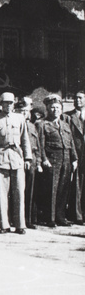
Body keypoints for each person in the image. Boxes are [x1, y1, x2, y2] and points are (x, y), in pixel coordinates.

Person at [0, 92, 32, 234]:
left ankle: (20, 224)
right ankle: (4, 224)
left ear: (14, 104)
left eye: (11, 103)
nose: (8, 105)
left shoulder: (20, 118)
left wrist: (28, 158)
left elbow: (25, 139)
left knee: (19, 192)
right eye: (5, 103)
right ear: (1, 104)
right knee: (2, 193)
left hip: (17, 158)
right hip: (1, 157)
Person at [37, 94, 78, 227]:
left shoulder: (65, 124)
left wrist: (74, 159)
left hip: (66, 159)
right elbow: (40, 144)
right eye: (52, 107)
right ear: (47, 108)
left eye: (58, 107)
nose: (55, 110)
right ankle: (50, 218)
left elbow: (70, 142)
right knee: (51, 190)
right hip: (52, 159)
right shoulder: (43, 124)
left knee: (63, 188)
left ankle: (60, 217)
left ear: (61, 109)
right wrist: (43, 159)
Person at [16, 99, 42, 229]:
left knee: (30, 191)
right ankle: (15, 218)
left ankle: (28, 219)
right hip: (17, 159)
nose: (24, 113)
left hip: (31, 160)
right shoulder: (14, 123)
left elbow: (37, 145)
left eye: (26, 111)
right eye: (21, 111)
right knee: (16, 191)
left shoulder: (32, 126)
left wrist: (38, 161)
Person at [64, 91, 85, 225]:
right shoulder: (68, 117)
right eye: (75, 98)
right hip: (76, 154)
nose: (77, 100)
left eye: (80, 98)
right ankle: (77, 215)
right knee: (76, 184)